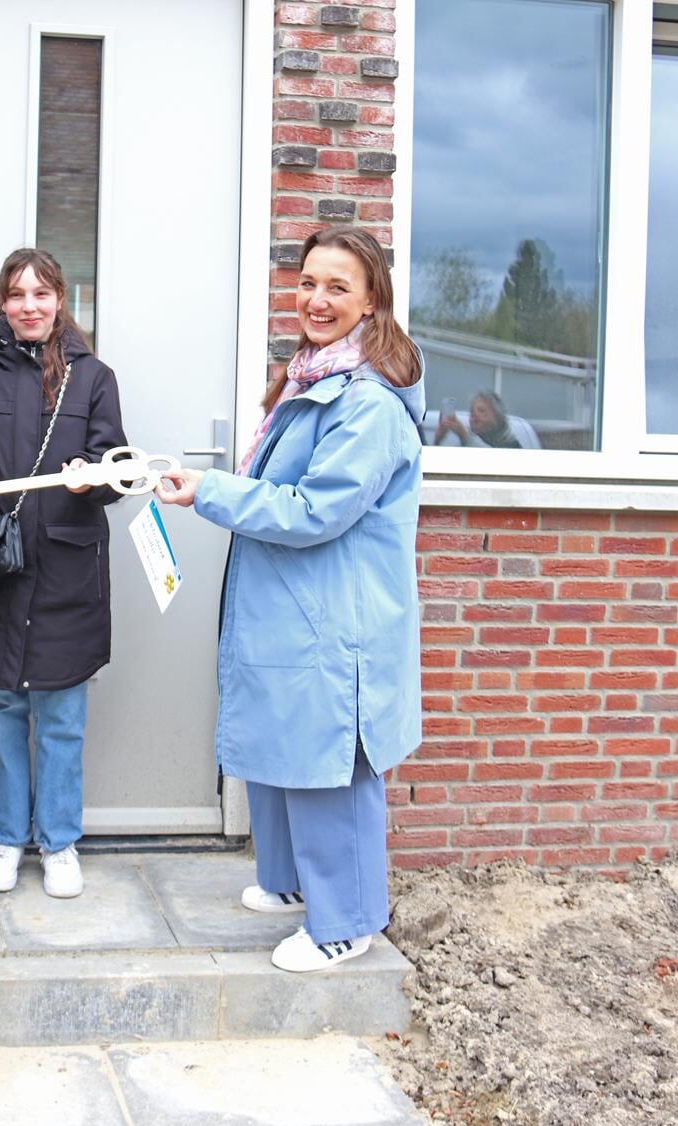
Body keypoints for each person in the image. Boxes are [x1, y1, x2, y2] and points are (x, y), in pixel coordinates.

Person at [156, 226, 424, 974]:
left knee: (328, 764)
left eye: (338, 287)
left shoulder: (366, 406)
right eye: (308, 282)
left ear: (372, 302)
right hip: (297, 605)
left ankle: (347, 922)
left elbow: (315, 511)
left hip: (336, 617)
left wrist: (210, 490)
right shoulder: (312, 378)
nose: (316, 299)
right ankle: (291, 884)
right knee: (281, 749)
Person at [0, 249, 128, 901]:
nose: (29, 305)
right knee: (0, 705)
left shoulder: (93, 377)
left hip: (65, 569)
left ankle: (58, 842)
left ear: (60, 301)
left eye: (41, 293)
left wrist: (96, 475)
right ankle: (4, 838)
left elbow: (118, 466)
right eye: (16, 294)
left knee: (60, 713)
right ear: (2, 304)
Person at [433, 388, 541, 448]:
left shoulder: (511, 446)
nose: (474, 415)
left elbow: (490, 461)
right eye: (471, 411)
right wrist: (439, 438)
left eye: (482, 411)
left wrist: (464, 436)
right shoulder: (464, 443)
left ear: (497, 416)